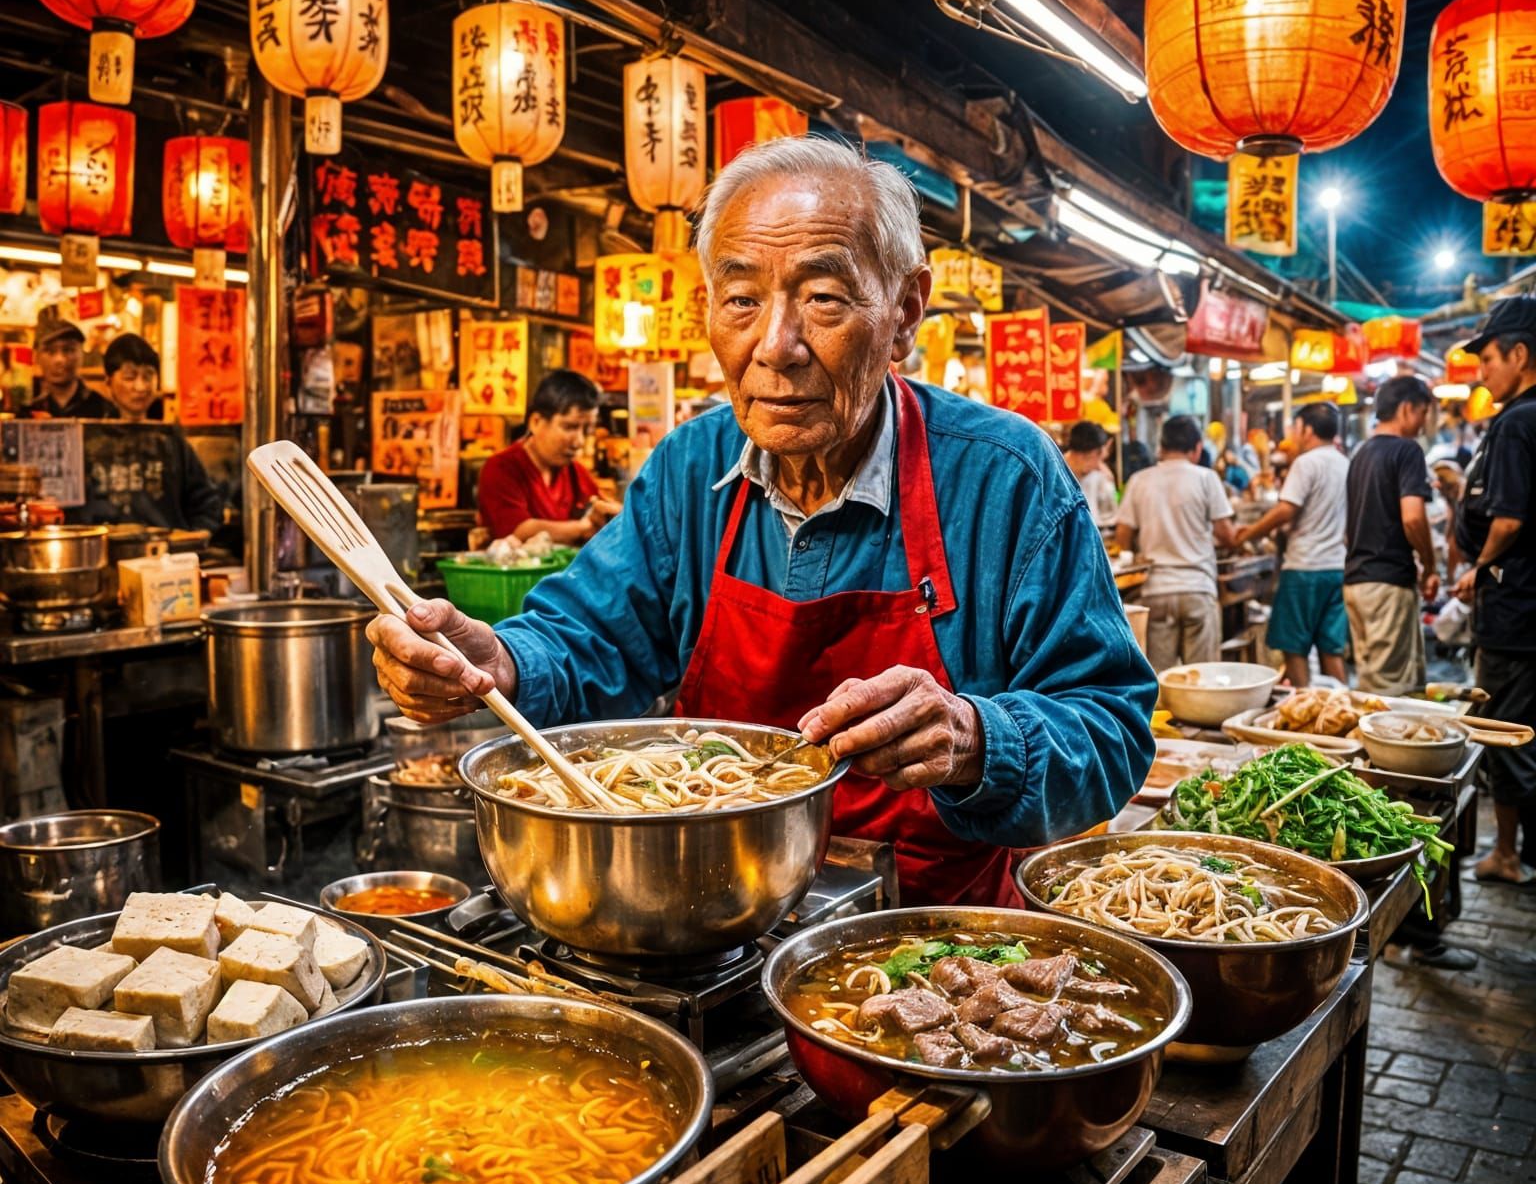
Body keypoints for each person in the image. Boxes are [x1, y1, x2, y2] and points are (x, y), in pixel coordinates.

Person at [368, 137, 1156, 906]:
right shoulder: (689, 469)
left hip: (937, 947)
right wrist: (499, 661)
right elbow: (594, 638)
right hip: (708, 910)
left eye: (823, 298)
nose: (776, 347)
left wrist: (976, 737)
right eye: (743, 299)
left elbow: (1111, 729)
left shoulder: (1004, 475)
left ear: (906, 308)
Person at [1451, 298, 1536, 886]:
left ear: (1520, 354)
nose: (1482, 371)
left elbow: (1507, 519)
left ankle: (1508, 853)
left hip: (1515, 610)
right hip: (1527, 606)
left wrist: (1476, 569)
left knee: (1505, 733)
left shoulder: (1515, 423)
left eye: (1488, 358)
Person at [1235, 403, 1349, 687]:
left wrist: (1248, 534)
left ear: (1307, 429)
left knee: (1294, 647)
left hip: (1304, 567)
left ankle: (1302, 706)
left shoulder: (1306, 463)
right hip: (1337, 567)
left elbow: (1286, 510)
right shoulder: (1345, 462)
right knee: (1331, 649)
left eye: (1296, 427)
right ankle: (1342, 711)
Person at [1115, 415, 1239, 673]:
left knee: (1161, 682)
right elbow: (1227, 535)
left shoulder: (1139, 480)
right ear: (1196, 448)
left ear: (1161, 447)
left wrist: (1134, 551)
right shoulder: (1206, 478)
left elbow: (1122, 534)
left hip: (1155, 592)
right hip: (1198, 589)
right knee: (1202, 681)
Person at [1344, 375, 1439, 694]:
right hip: (1387, 584)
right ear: (1407, 408)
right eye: (1423, 413)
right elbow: (1413, 518)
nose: (1424, 423)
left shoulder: (1360, 453)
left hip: (1357, 583)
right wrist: (1430, 565)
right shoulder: (1407, 451)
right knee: (1390, 693)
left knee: (1372, 682)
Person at [79, 334, 224, 532]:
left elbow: (208, 501)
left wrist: (193, 539)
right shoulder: (89, 438)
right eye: (129, 377)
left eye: (148, 376)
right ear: (108, 382)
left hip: (163, 556)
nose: (140, 386)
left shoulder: (169, 438)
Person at [476, 370, 621, 544]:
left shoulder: (575, 471)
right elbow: (519, 531)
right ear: (536, 422)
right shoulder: (501, 468)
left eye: (587, 430)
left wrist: (612, 515)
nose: (579, 441)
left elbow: (602, 507)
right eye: (569, 427)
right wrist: (584, 527)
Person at [29, 304, 115, 418]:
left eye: (68, 350)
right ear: (37, 356)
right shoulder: (28, 413)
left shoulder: (104, 411)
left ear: (81, 354)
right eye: (50, 351)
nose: (60, 359)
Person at [1062, 421, 1117, 526]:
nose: (1098, 465)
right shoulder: (1056, 474)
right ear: (1093, 453)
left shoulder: (1097, 475)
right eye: (1099, 459)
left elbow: (1110, 513)